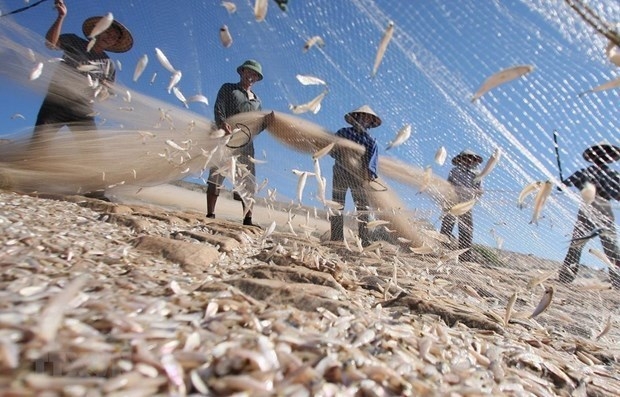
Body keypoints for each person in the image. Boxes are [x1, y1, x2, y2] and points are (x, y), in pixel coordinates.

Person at [31, 0, 133, 144]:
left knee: (91, 152)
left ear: (114, 43)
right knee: (38, 144)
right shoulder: (74, 41)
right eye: (108, 32)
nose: (110, 38)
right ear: (98, 30)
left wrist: (103, 89)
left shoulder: (109, 65)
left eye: (114, 38)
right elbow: (50, 44)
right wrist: (61, 16)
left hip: (83, 110)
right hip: (56, 102)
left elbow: (106, 96)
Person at [206, 59, 270, 226]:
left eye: (255, 74)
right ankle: (210, 214)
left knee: (248, 181)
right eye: (249, 72)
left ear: (257, 79)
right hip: (225, 138)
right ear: (242, 72)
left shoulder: (258, 102)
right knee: (216, 175)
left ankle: (248, 219)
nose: (251, 76)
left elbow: (256, 126)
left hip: (246, 145)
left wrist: (266, 123)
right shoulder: (228, 88)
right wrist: (221, 122)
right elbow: (218, 107)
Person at [558, 141, 620, 288]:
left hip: (598, 210)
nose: (601, 157)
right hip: (593, 210)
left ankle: (566, 277)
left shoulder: (590, 173)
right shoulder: (591, 173)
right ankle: (566, 277)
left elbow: (563, 185)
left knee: (605, 246)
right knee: (581, 244)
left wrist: (562, 183)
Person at [329, 105, 381, 247]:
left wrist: (370, 173)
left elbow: (372, 161)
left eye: (367, 118)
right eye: (361, 116)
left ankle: (364, 240)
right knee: (337, 205)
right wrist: (340, 152)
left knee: (363, 208)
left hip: (358, 177)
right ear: (355, 118)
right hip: (340, 171)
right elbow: (331, 150)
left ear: (370, 123)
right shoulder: (342, 133)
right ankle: (336, 237)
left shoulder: (371, 141)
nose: (364, 120)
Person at [439, 149, 484, 262]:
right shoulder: (454, 171)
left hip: (466, 205)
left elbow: (479, 190)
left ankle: (465, 257)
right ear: (461, 159)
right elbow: (448, 185)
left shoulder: (478, 174)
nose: (469, 160)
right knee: (446, 228)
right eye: (466, 158)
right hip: (452, 203)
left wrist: (476, 193)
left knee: (466, 230)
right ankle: (441, 251)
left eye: (471, 158)